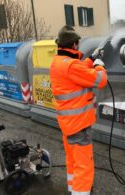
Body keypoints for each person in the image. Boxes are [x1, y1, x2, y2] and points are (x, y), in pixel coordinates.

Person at [50, 25, 107, 195]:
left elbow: (77, 71)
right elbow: (100, 80)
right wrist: (99, 65)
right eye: (78, 43)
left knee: (72, 161)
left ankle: (72, 189)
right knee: (84, 166)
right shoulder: (72, 66)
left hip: (68, 125)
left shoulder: (58, 62)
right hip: (79, 125)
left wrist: (91, 58)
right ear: (74, 45)